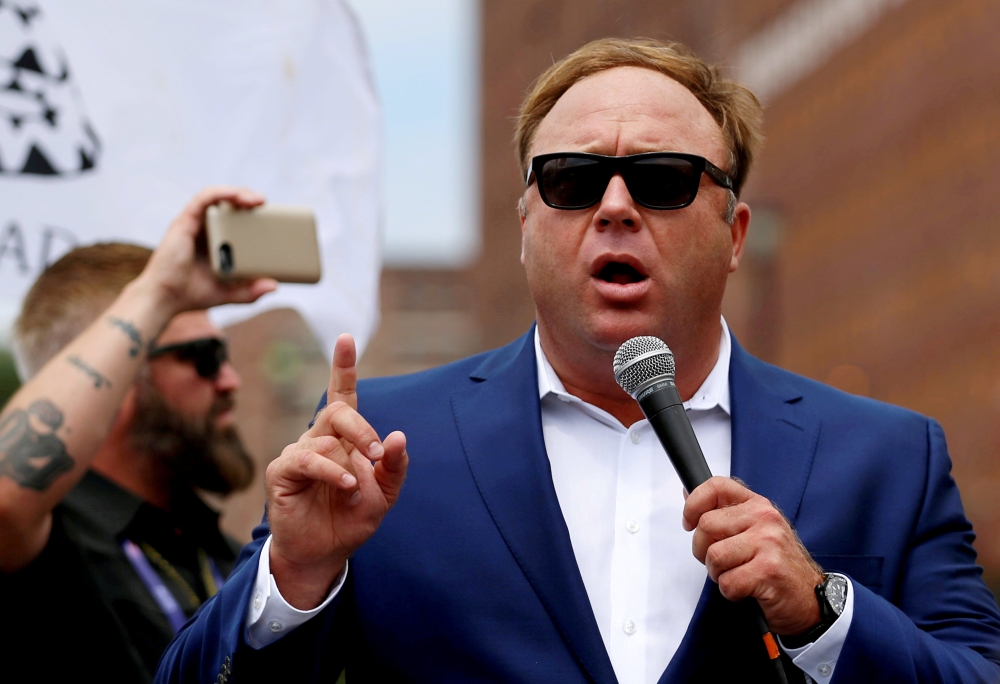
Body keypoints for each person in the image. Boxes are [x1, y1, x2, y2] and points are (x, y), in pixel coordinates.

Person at [156, 39, 1000, 684]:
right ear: (527, 225)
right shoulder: (377, 446)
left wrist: (825, 615)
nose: (616, 207)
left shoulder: (888, 456)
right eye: (571, 181)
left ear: (735, 235)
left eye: (664, 179)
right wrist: (296, 575)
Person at [0, 188, 276, 682]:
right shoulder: (45, 541)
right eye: (204, 358)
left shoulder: (237, 559)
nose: (231, 380)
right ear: (116, 379)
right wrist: (158, 293)